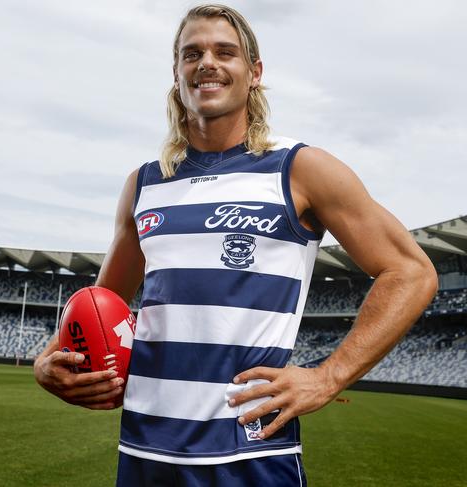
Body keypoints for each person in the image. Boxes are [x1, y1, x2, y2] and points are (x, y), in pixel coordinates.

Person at [34, 4, 438, 486]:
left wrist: (329, 376)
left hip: (249, 458)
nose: (207, 62)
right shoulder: (143, 184)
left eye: (225, 52)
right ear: (177, 73)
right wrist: (48, 361)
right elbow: (103, 305)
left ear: (254, 73)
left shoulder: (300, 169)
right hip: (143, 452)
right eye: (192, 53)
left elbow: (411, 272)